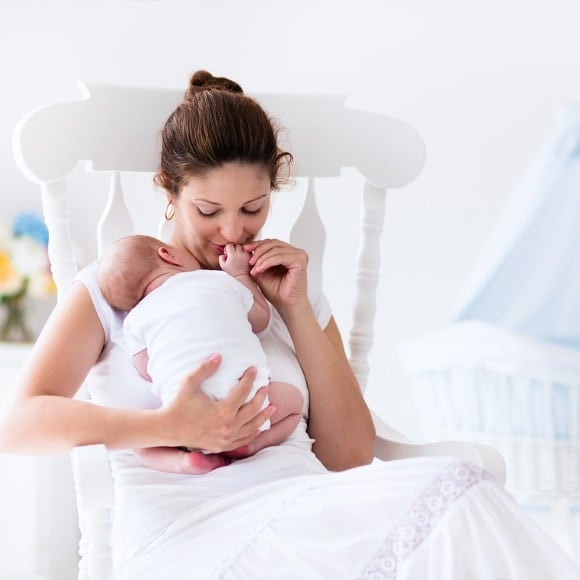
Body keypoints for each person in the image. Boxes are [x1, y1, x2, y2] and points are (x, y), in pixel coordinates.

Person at [0, 70, 577, 579]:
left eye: (252, 209)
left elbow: (348, 455)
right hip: (191, 535)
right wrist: (170, 425)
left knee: (461, 490)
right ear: (170, 191)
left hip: (305, 510)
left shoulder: (282, 285)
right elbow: (20, 425)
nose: (232, 232)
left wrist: (296, 308)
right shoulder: (117, 284)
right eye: (209, 211)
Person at [98, 234, 304, 473]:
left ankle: (184, 462)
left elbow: (146, 371)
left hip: (184, 416)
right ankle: (251, 445)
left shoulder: (133, 321)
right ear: (168, 254)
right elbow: (260, 319)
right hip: (249, 404)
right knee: (294, 402)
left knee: (142, 446)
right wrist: (240, 275)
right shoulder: (218, 281)